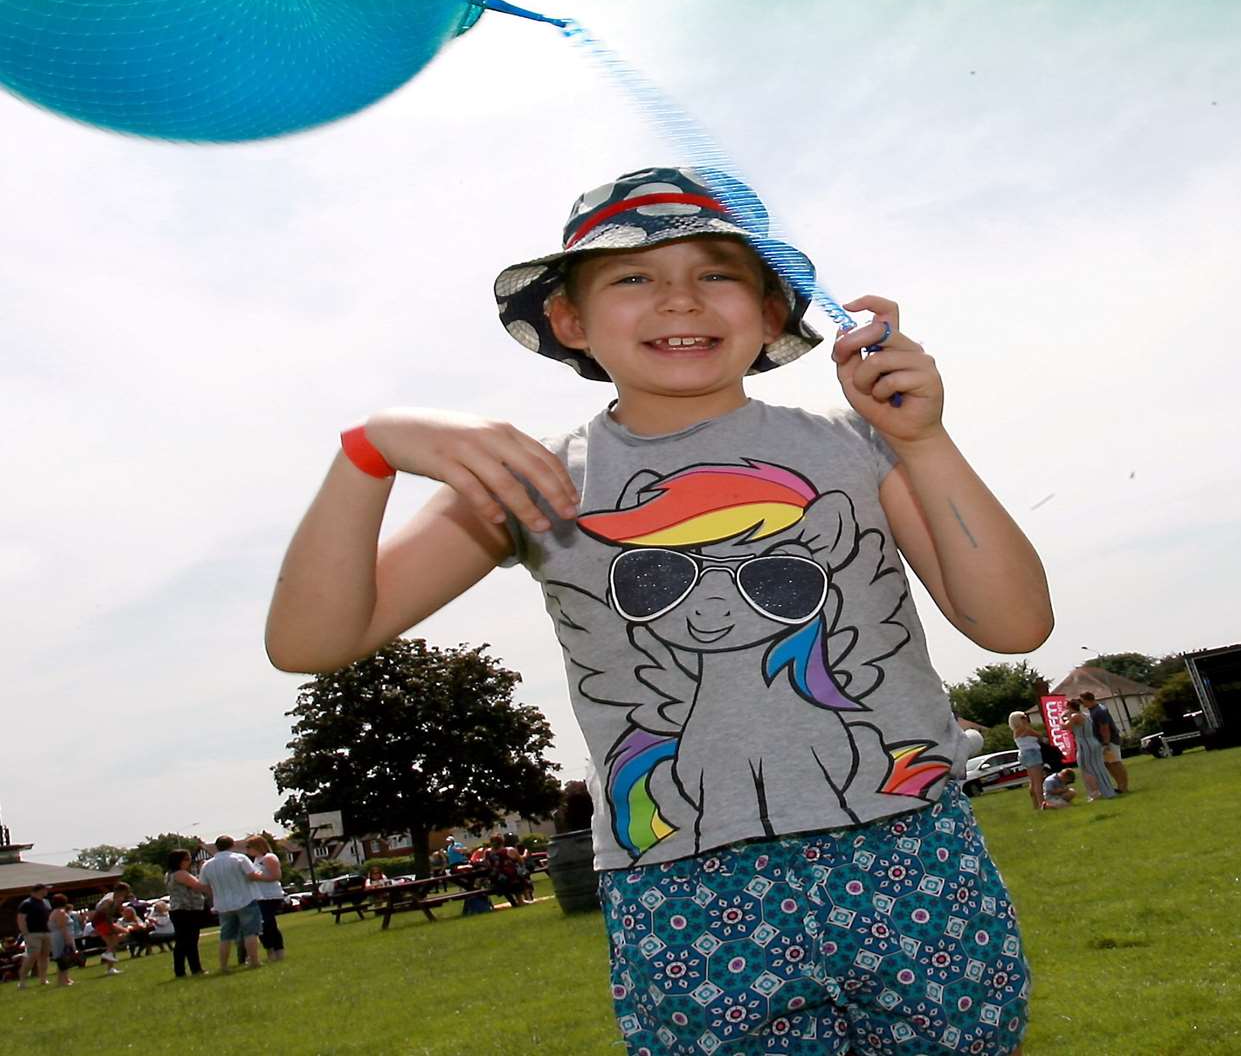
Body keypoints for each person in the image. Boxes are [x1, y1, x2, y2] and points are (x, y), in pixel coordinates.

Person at [263, 166, 1050, 1055]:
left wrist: (925, 439)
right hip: (682, 879)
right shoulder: (540, 482)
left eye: (716, 272)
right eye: (633, 277)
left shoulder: (859, 444)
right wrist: (371, 451)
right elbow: (309, 642)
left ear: (769, 310)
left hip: (910, 850)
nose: (679, 299)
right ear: (569, 319)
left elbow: (1014, 626)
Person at [200, 835, 266, 970]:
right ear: (233, 845)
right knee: (250, 932)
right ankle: (254, 960)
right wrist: (267, 876)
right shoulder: (240, 859)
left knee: (225, 936)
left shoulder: (207, 865)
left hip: (223, 904)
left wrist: (215, 894)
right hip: (245, 899)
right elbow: (251, 875)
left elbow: (203, 885)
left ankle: (223, 965)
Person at [163, 848, 211, 978]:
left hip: (179, 910)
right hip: (186, 910)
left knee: (183, 942)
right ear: (180, 861)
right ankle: (195, 968)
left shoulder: (169, 874)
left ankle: (181, 970)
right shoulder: (181, 874)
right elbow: (199, 885)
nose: (189, 861)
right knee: (189, 941)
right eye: (187, 859)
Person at [246, 834, 289, 962]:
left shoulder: (269, 858)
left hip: (271, 896)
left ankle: (278, 950)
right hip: (259, 896)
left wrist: (258, 878)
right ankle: (269, 949)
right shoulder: (255, 860)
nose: (247, 850)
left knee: (268, 923)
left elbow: (276, 876)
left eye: (249, 847)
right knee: (262, 925)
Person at [1065, 697, 1117, 801]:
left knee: (1087, 769)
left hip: (1085, 744)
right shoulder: (1087, 715)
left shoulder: (1076, 716)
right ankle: (1107, 790)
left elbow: (1064, 726)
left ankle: (1095, 793)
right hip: (1093, 741)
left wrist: (1066, 716)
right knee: (1099, 767)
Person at [1083, 691, 1129, 793]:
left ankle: (1123, 786)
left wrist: (1106, 743)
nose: (1082, 704)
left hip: (1110, 740)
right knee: (1108, 764)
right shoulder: (1093, 710)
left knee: (1115, 763)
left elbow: (1104, 728)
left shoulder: (1099, 711)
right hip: (1102, 741)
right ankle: (1119, 784)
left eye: (1083, 701)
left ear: (1088, 700)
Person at [13, 883, 53, 989]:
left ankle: (43, 979)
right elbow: (21, 919)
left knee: (45, 956)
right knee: (33, 955)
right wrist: (25, 933)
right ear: (39, 890)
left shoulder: (45, 902)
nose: (47, 891)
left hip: (46, 932)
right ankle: (22, 981)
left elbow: (48, 917)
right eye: (45, 889)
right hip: (33, 934)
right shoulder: (26, 903)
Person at [1009, 710, 1048, 812]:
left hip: (1025, 754)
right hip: (1032, 754)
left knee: (1032, 781)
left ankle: (1036, 804)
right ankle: (1042, 804)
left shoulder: (1017, 731)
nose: (1026, 718)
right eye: (1022, 717)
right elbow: (1039, 735)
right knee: (1038, 781)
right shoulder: (1024, 729)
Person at [88, 884, 131, 975]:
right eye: (126, 892)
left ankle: (110, 968)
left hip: (99, 922)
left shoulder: (113, 897)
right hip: (102, 922)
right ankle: (107, 953)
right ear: (122, 891)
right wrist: (111, 927)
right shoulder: (109, 900)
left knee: (112, 943)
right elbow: (105, 914)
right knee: (125, 931)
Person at [46, 894, 76, 986]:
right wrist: (67, 940)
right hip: (61, 937)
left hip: (56, 937)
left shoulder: (54, 912)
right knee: (63, 959)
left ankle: (65, 979)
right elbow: (62, 927)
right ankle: (62, 981)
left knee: (62, 959)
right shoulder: (61, 912)